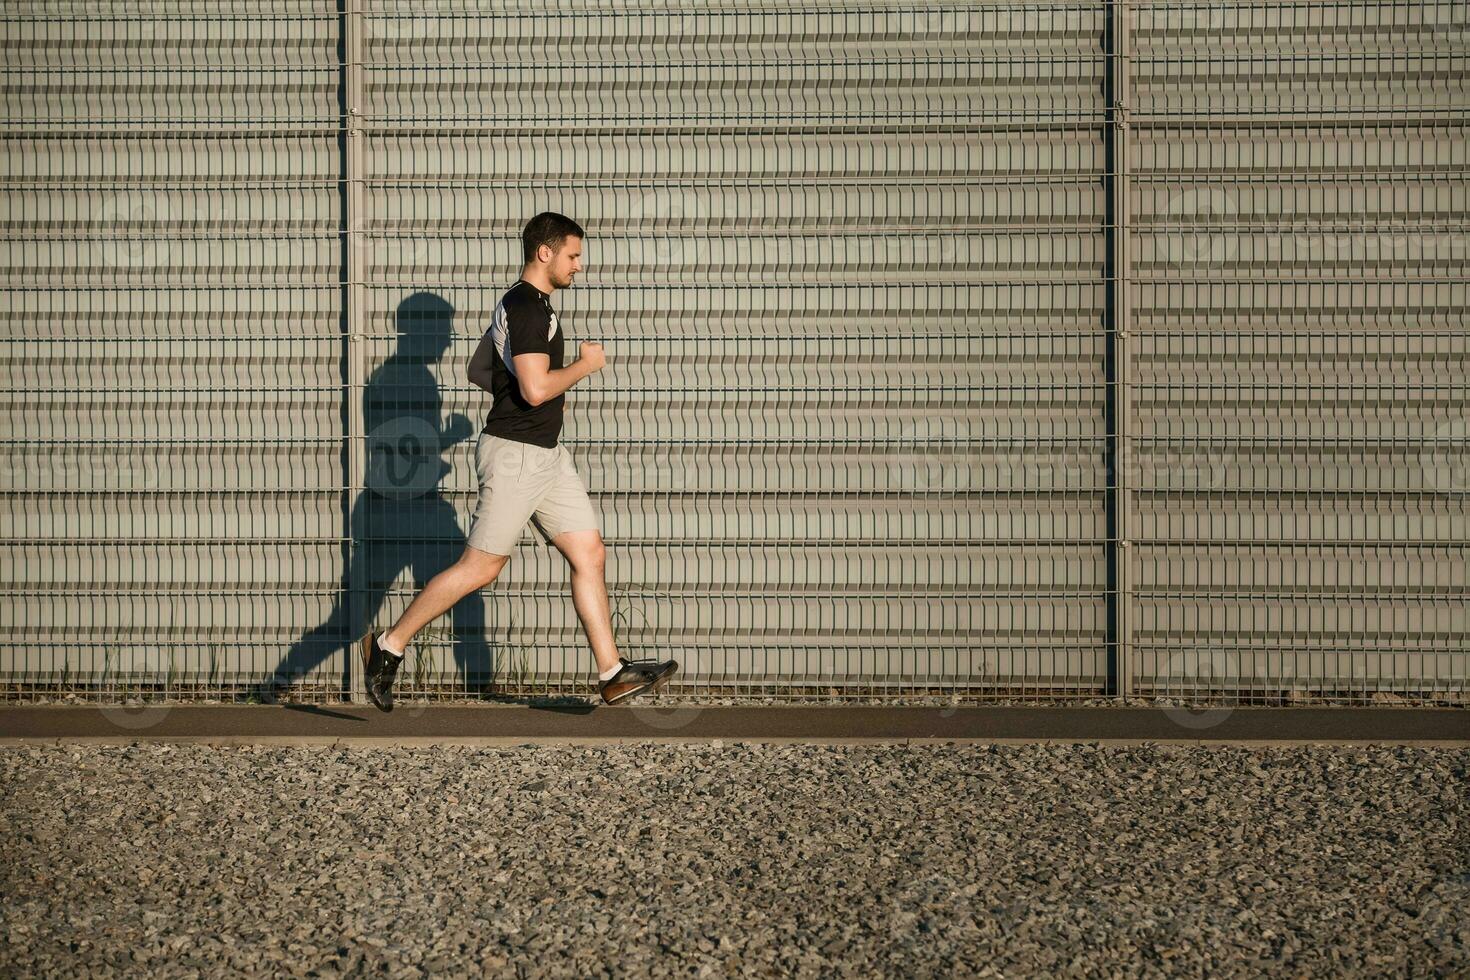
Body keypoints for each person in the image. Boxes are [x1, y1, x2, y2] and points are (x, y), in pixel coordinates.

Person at [360, 212, 678, 711]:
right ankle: (389, 646)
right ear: (544, 252)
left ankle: (612, 673)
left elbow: (478, 368)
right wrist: (583, 367)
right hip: (516, 457)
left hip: (546, 455)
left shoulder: (526, 305)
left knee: (589, 553)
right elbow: (534, 388)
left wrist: (527, 395)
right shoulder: (528, 308)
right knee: (481, 568)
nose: (579, 266)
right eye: (572, 255)